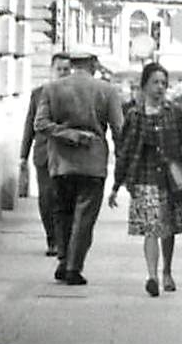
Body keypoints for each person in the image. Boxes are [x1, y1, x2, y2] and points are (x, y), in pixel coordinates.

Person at [109, 62, 182, 296]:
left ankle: (167, 271)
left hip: (171, 180)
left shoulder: (174, 114)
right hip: (144, 178)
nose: (160, 87)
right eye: (155, 82)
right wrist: (116, 185)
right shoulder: (134, 115)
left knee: (167, 228)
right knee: (151, 228)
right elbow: (125, 151)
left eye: (164, 83)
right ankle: (152, 276)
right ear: (144, 86)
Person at [34, 47, 126, 286]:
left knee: (62, 212)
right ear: (93, 64)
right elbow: (119, 131)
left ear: (72, 63)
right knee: (84, 217)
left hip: (60, 163)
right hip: (93, 163)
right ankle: (74, 266)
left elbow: (40, 124)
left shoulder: (51, 89)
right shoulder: (107, 91)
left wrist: (67, 134)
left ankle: (63, 260)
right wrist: (122, 167)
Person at [19, 52, 73, 257]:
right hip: (43, 154)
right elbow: (29, 125)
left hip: (67, 155)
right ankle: (52, 239)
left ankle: (63, 241)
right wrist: (22, 156)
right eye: (59, 69)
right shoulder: (38, 94)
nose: (62, 73)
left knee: (64, 198)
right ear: (52, 71)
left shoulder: (74, 94)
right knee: (47, 198)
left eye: (66, 69)